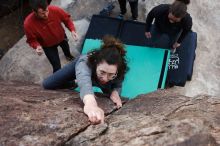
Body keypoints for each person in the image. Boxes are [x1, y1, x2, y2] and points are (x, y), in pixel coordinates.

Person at [42, 35, 128, 124]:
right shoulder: (86, 62)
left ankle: (101, 78)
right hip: (83, 73)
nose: (105, 78)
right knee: (48, 84)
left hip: (98, 79)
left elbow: (118, 84)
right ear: (96, 63)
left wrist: (115, 92)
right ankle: (74, 83)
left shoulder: (119, 69)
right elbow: (84, 79)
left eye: (111, 74)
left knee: (112, 97)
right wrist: (90, 103)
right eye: (102, 72)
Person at [24, 0, 79, 73]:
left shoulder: (54, 9)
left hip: (62, 37)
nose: (46, 15)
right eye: (42, 13)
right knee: (56, 67)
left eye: (47, 11)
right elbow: (31, 40)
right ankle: (59, 82)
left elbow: (67, 19)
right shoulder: (28, 23)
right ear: (34, 12)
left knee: (66, 48)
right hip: (48, 46)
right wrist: (37, 46)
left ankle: (68, 55)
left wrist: (72, 30)